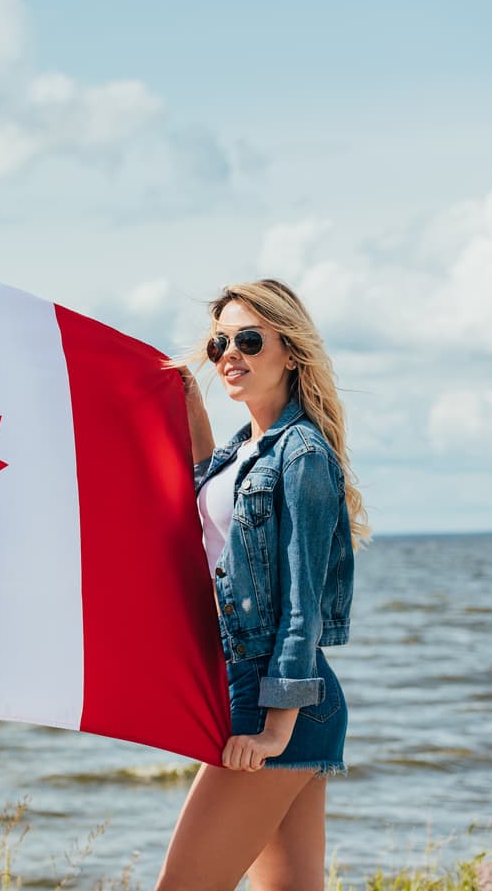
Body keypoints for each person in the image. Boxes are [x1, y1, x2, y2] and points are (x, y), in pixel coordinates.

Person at [156, 278, 369, 891]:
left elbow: (302, 601)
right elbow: (209, 502)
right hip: (254, 689)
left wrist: (276, 722)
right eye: (220, 341)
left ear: (291, 351)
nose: (230, 354)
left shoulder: (301, 455)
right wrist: (192, 407)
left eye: (249, 339)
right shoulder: (242, 450)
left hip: (278, 699)